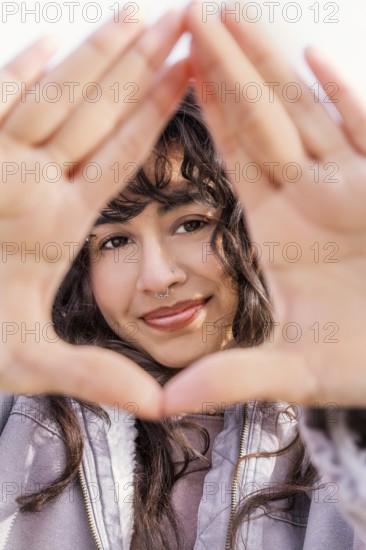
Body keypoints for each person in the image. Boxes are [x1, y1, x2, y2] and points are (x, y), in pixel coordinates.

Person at [1, 2, 366, 549]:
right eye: (115, 240)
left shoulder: (339, 414)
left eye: (192, 222)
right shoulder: (22, 411)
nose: (157, 276)